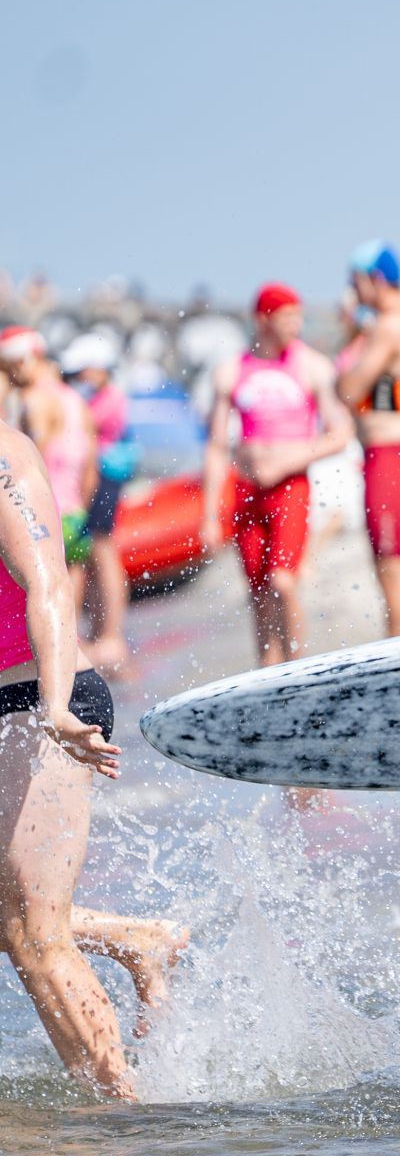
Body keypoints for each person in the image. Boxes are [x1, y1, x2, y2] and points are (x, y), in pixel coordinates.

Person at [0, 417, 189, 1098]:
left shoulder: (3, 455)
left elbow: (48, 583)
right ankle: (133, 939)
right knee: (20, 921)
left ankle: (122, 1115)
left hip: (39, 702)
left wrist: (55, 707)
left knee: (34, 935)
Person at [200, 284, 353, 666]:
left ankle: (296, 666)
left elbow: (341, 433)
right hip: (247, 489)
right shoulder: (231, 372)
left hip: (290, 488)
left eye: (299, 317)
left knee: (283, 582)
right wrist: (210, 515)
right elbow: (217, 447)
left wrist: (290, 459)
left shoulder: (312, 366)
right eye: (288, 318)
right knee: (258, 592)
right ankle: (267, 671)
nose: (296, 325)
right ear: (262, 319)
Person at [337, 242, 400, 636]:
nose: (351, 290)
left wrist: (353, 339)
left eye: (355, 281)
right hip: (394, 451)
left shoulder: (390, 325)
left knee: (392, 569)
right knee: (390, 566)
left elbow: (349, 389)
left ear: (375, 279)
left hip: (389, 454)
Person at [58, 332, 136, 670]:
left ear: (99, 369)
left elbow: (83, 427)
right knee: (91, 555)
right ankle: (97, 632)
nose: (77, 380)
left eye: (81, 373)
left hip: (104, 477)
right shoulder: (94, 398)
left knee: (104, 552)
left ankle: (111, 635)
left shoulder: (110, 398)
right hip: (93, 477)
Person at [0, 327, 96, 568]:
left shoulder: (32, 399)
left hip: (44, 513)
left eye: (6, 368)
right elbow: (91, 463)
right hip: (75, 510)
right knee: (69, 579)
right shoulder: (76, 399)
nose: (8, 377)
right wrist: (83, 507)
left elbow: (26, 463)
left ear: (21, 361)